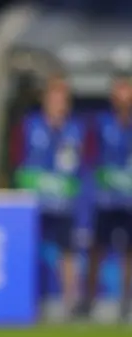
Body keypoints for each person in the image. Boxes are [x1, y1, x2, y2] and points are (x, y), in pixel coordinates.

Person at [10, 75, 86, 318]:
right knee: (31, 252)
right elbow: (17, 160)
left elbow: (81, 165)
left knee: (68, 254)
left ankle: (70, 305)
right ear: (45, 100)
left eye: (61, 100)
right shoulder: (30, 125)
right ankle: (32, 303)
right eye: (53, 99)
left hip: (63, 203)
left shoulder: (75, 129)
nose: (57, 104)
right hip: (34, 204)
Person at [81, 72, 132, 320]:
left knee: (129, 253)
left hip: (129, 200)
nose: (124, 96)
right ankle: (90, 301)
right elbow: (89, 158)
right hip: (105, 199)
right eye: (120, 90)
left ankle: (126, 303)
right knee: (97, 250)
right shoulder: (101, 123)